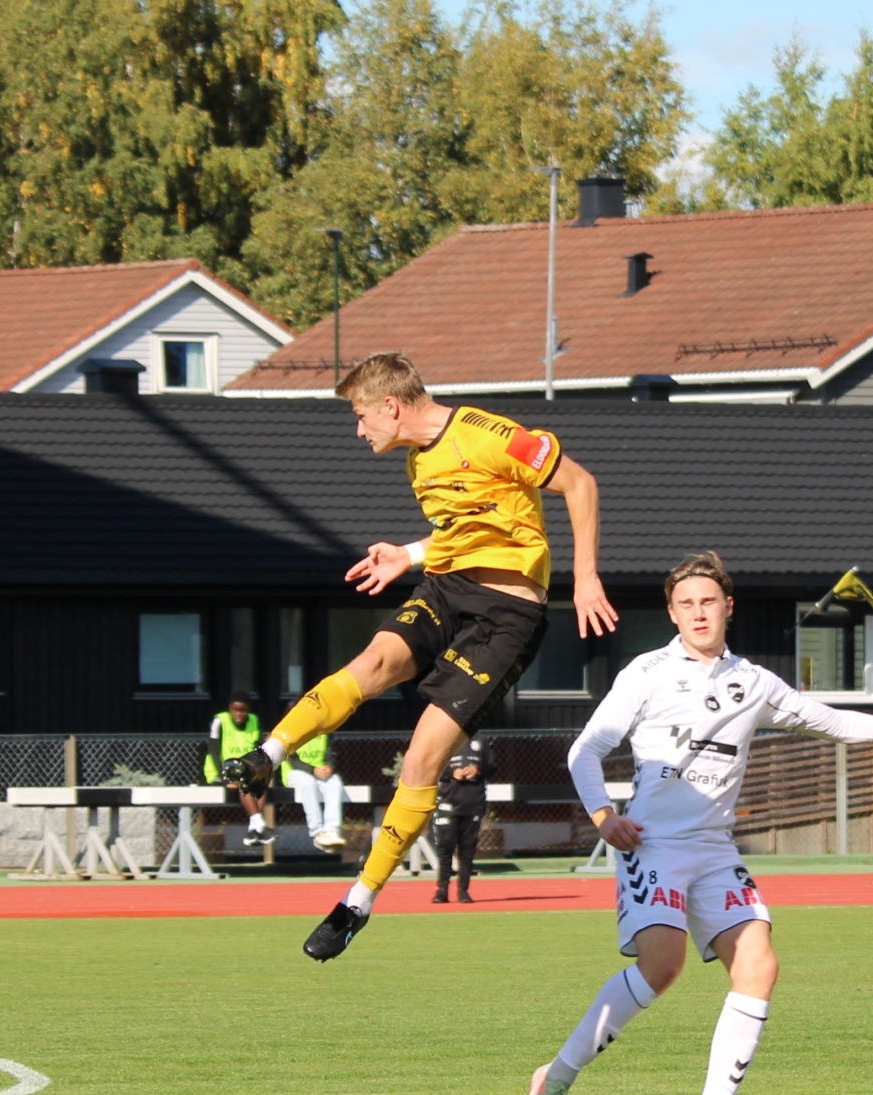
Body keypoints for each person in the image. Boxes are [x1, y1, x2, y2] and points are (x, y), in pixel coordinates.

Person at [525, 553, 873, 1095]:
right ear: (672, 614)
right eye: (686, 604)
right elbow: (585, 751)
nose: (698, 613)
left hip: (715, 850)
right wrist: (604, 817)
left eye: (708, 602)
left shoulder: (755, 682)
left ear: (728, 607)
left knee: (759, 965)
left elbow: (829, 721)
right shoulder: (646, 672)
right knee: (662, 966)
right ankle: (557, 1076)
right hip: (652, 843)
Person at [217, 351, 614, 961]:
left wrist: (585, 578)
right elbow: (465, 528)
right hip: (446, 588)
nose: (358, 430)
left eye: (360, 415)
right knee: (370, 664)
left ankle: (357, 902)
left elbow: (579, 483)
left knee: (422, 758)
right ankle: (267, 756)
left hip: (506, 617)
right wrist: (409, 553)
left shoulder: (488, 434)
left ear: (390, 406)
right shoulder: (417, 460)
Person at [206, 695, 272, 847]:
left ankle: (254, 828)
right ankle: (260, 825)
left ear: (248, 710)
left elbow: (258, 749)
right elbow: (213, 751)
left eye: (242, 710)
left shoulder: (254, 721)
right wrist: (224, 778)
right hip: (222, 771)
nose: (238, 714)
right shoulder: (219, 721)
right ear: (229, 708)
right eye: (235, 710)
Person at [430, 739, 489, 903]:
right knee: (445, 846)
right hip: (448, 803)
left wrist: (477, 769)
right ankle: (442, 890)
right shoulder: (444, 740)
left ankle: (463, 891)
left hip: (473, 803)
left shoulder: (480, 740)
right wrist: (451, 773)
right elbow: (432, 768)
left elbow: (491, 767)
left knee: (467, 849)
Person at [286, 729, 346, 852]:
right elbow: (292, 759)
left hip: (320, 772)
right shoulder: (292, 730)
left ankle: (331, 831)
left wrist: (329, 767)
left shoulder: (325, 730)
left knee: (335, 783)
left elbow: (331, 754)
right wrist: (312, 770)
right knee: (308, 784)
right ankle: (317, 833)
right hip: (295, 772)